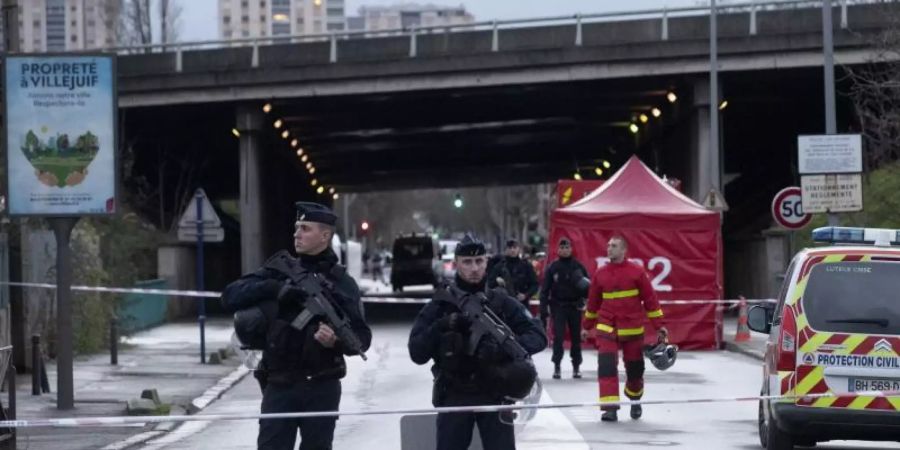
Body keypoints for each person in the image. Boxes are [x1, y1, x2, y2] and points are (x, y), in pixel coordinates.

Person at [221, 201, 372, 450]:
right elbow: (229, 296)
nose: (296, 234)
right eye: (296, 227)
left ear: (325, 235)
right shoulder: (279, 271)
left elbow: (362, 338)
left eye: (305, 228)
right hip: (279, 384)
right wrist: (275, 289)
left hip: (322, 386)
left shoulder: (343, 284)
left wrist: (335, 341)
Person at [408, 234, 547, 450]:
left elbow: (538, 336)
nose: (474, 268)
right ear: (457, 264)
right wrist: (443, 325)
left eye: (479, 261)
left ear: (487, 262)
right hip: (454, 393)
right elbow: (416, 352)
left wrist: (502, 350)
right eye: (467, 262)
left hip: (495, 394)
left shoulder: (501, 302)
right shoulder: (442, 304)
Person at [580, 236, 667, 422]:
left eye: (614, 246)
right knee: (606, 367)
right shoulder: (600, 273)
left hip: (632, 328)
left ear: (623, 250)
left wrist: (659, 326)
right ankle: (609, 409)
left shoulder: (636, 272)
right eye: (608, 245)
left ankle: (635, 399)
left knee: (635, 369)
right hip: (607, 327)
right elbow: (593, 303)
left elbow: (651, 300)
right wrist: (586, 326)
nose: (609, 248)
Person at [539, 237, 589, 380]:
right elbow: (545, 290)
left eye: (567, 248)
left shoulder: (578, 266)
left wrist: (583, 296)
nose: (565, 250)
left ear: (571, 249)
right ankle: (557, 366)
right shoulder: (553, 267)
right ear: (558, 250)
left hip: (574, 307)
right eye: (562, 248)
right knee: (558, 338)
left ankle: (576, 367)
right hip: (558, 307)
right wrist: (543, 310)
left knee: (575, 339)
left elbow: (589, 288)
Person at [487, 239, 539, 309]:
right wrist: (497, 281)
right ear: (506, 250)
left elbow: (535, 284)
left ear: (518, 249)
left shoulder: (526, 266)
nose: (512, 250)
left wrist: (525, 295)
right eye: (510, 248)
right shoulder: (500, 267)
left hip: (522, 305)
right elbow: (490, 284)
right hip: (504, 306)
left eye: (514, 248)